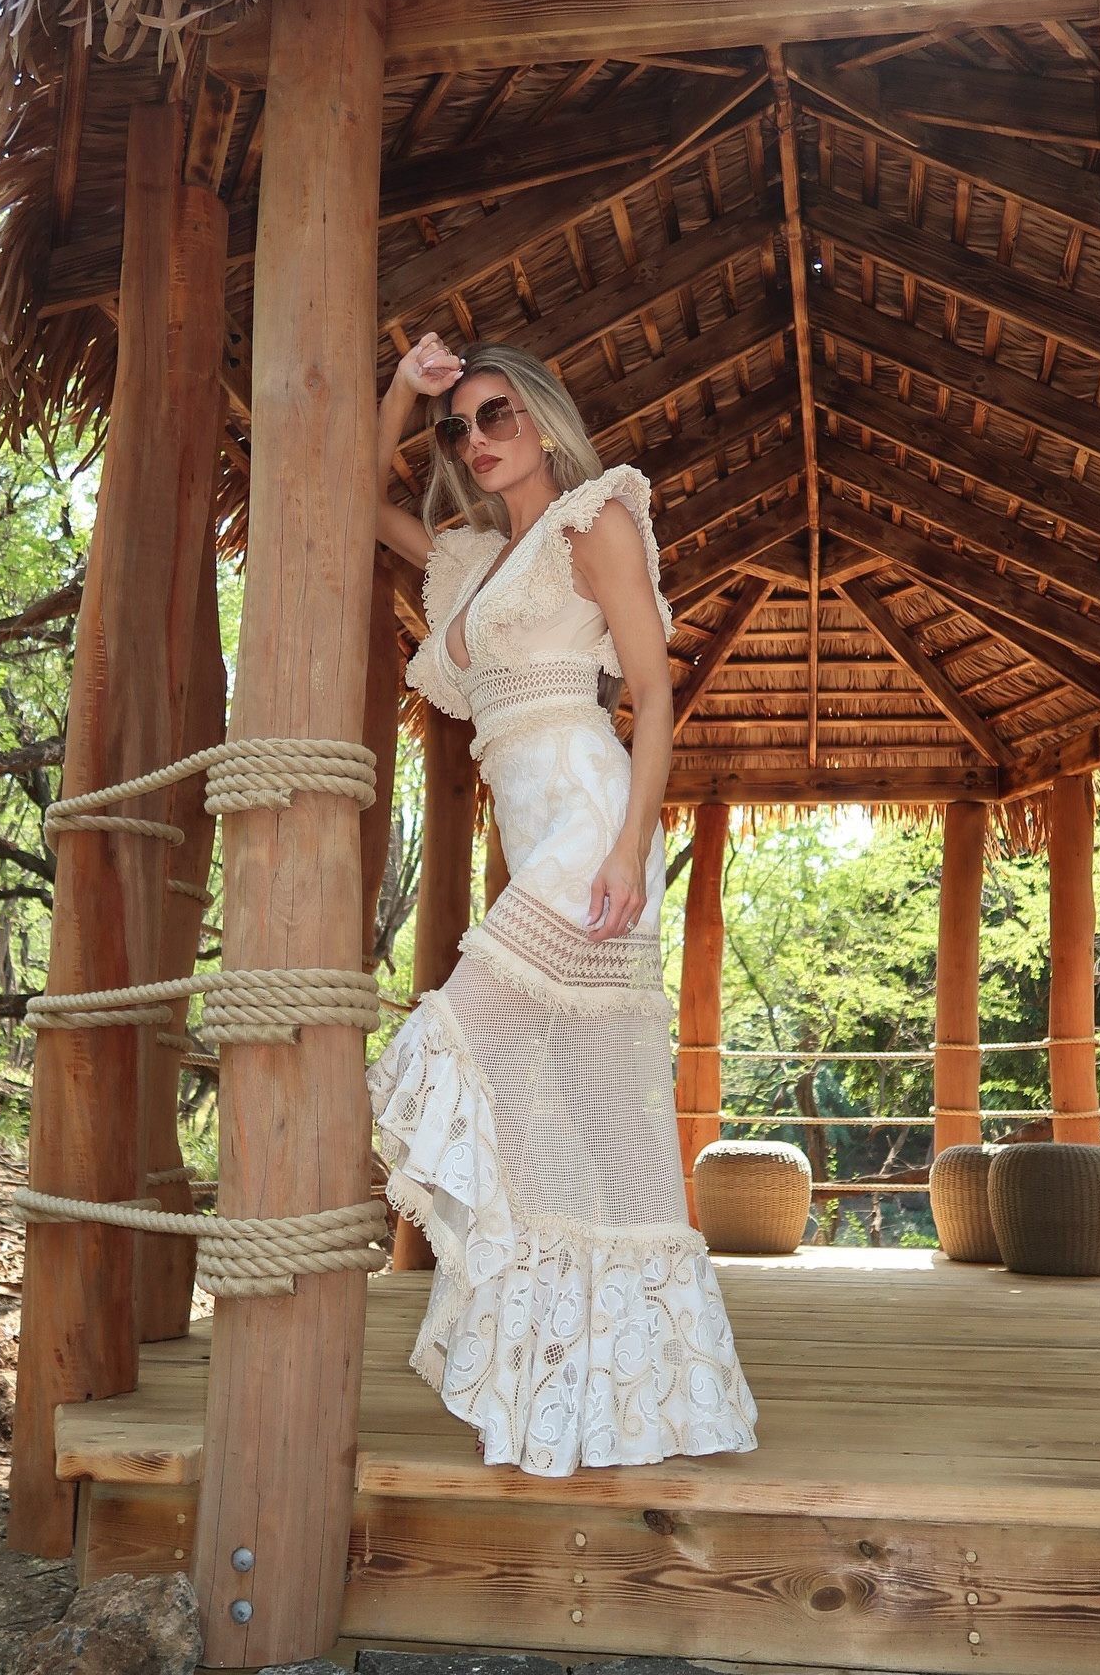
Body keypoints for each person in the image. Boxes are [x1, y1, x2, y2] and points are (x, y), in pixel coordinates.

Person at [367, 332, 758, 1478]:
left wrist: (636, 847)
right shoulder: (465, 559)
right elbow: (346, 489)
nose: (478, 440)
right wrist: (406, 388)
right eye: (460, 427)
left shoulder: (596, 521)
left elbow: (649, 688)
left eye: (497, 415)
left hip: (589, 832)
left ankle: (605, 1378)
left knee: (451, 1043)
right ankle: (600, 1396)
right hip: (534, 836)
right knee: (563, 1114)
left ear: (541, 416)